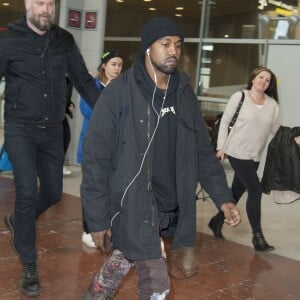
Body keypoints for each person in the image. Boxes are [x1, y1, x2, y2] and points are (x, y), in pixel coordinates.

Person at [80, 16, 241, 300]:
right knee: (156, 282)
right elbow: (96, 160)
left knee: (129, 253)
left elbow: (201, 151)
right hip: (132, 202)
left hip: (171, 202)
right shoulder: (120, 93)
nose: (173, 51)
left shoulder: (184, 93)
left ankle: (96, 293)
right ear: (147, 48)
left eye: (177, 45)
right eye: (165, 44)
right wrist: (96, 219)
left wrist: (223, 197)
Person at [0, 0, 100, 297]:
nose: (46, 9)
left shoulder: (64, 40)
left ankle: (20, 221)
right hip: (21, 129)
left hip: (53, 131)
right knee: (28, 192)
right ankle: (29, 265)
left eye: (50, 4)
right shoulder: (8, 39)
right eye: (40, 3)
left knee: (53, 192)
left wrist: (113, 114)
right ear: (28, 4)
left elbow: (83, 81)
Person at [209, 66, 280, 252]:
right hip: (235, 151)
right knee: (255, 190)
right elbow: (225, 122)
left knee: (236, 193)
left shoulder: (272, 105)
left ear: (269, 84)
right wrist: (221, 147)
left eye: (267, 80)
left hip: (254, 155)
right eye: (261, 77)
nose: (263, 81)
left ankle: (216, 221)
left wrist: (294, 138)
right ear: (253, 78)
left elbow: (276, 131)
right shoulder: (239, 96)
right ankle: (258, 237)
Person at [77, 50, 124, 248]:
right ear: (104, 65)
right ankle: (88, 229)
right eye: (113, 64)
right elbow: (87, 111)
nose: (117, 69)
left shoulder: (122, 87)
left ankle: (108, 226)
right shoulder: (93, 86)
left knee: (110, 189)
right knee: (92, 188)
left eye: (120, 65)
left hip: (114, 148)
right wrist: (107, 93)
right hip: (93, 147)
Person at [63, 75, 75, 176]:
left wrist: (70, 104)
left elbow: (66, 98)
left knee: (66, 138)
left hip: (61, 114)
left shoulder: (68, 81)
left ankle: (59, 164)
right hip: (48, 116)